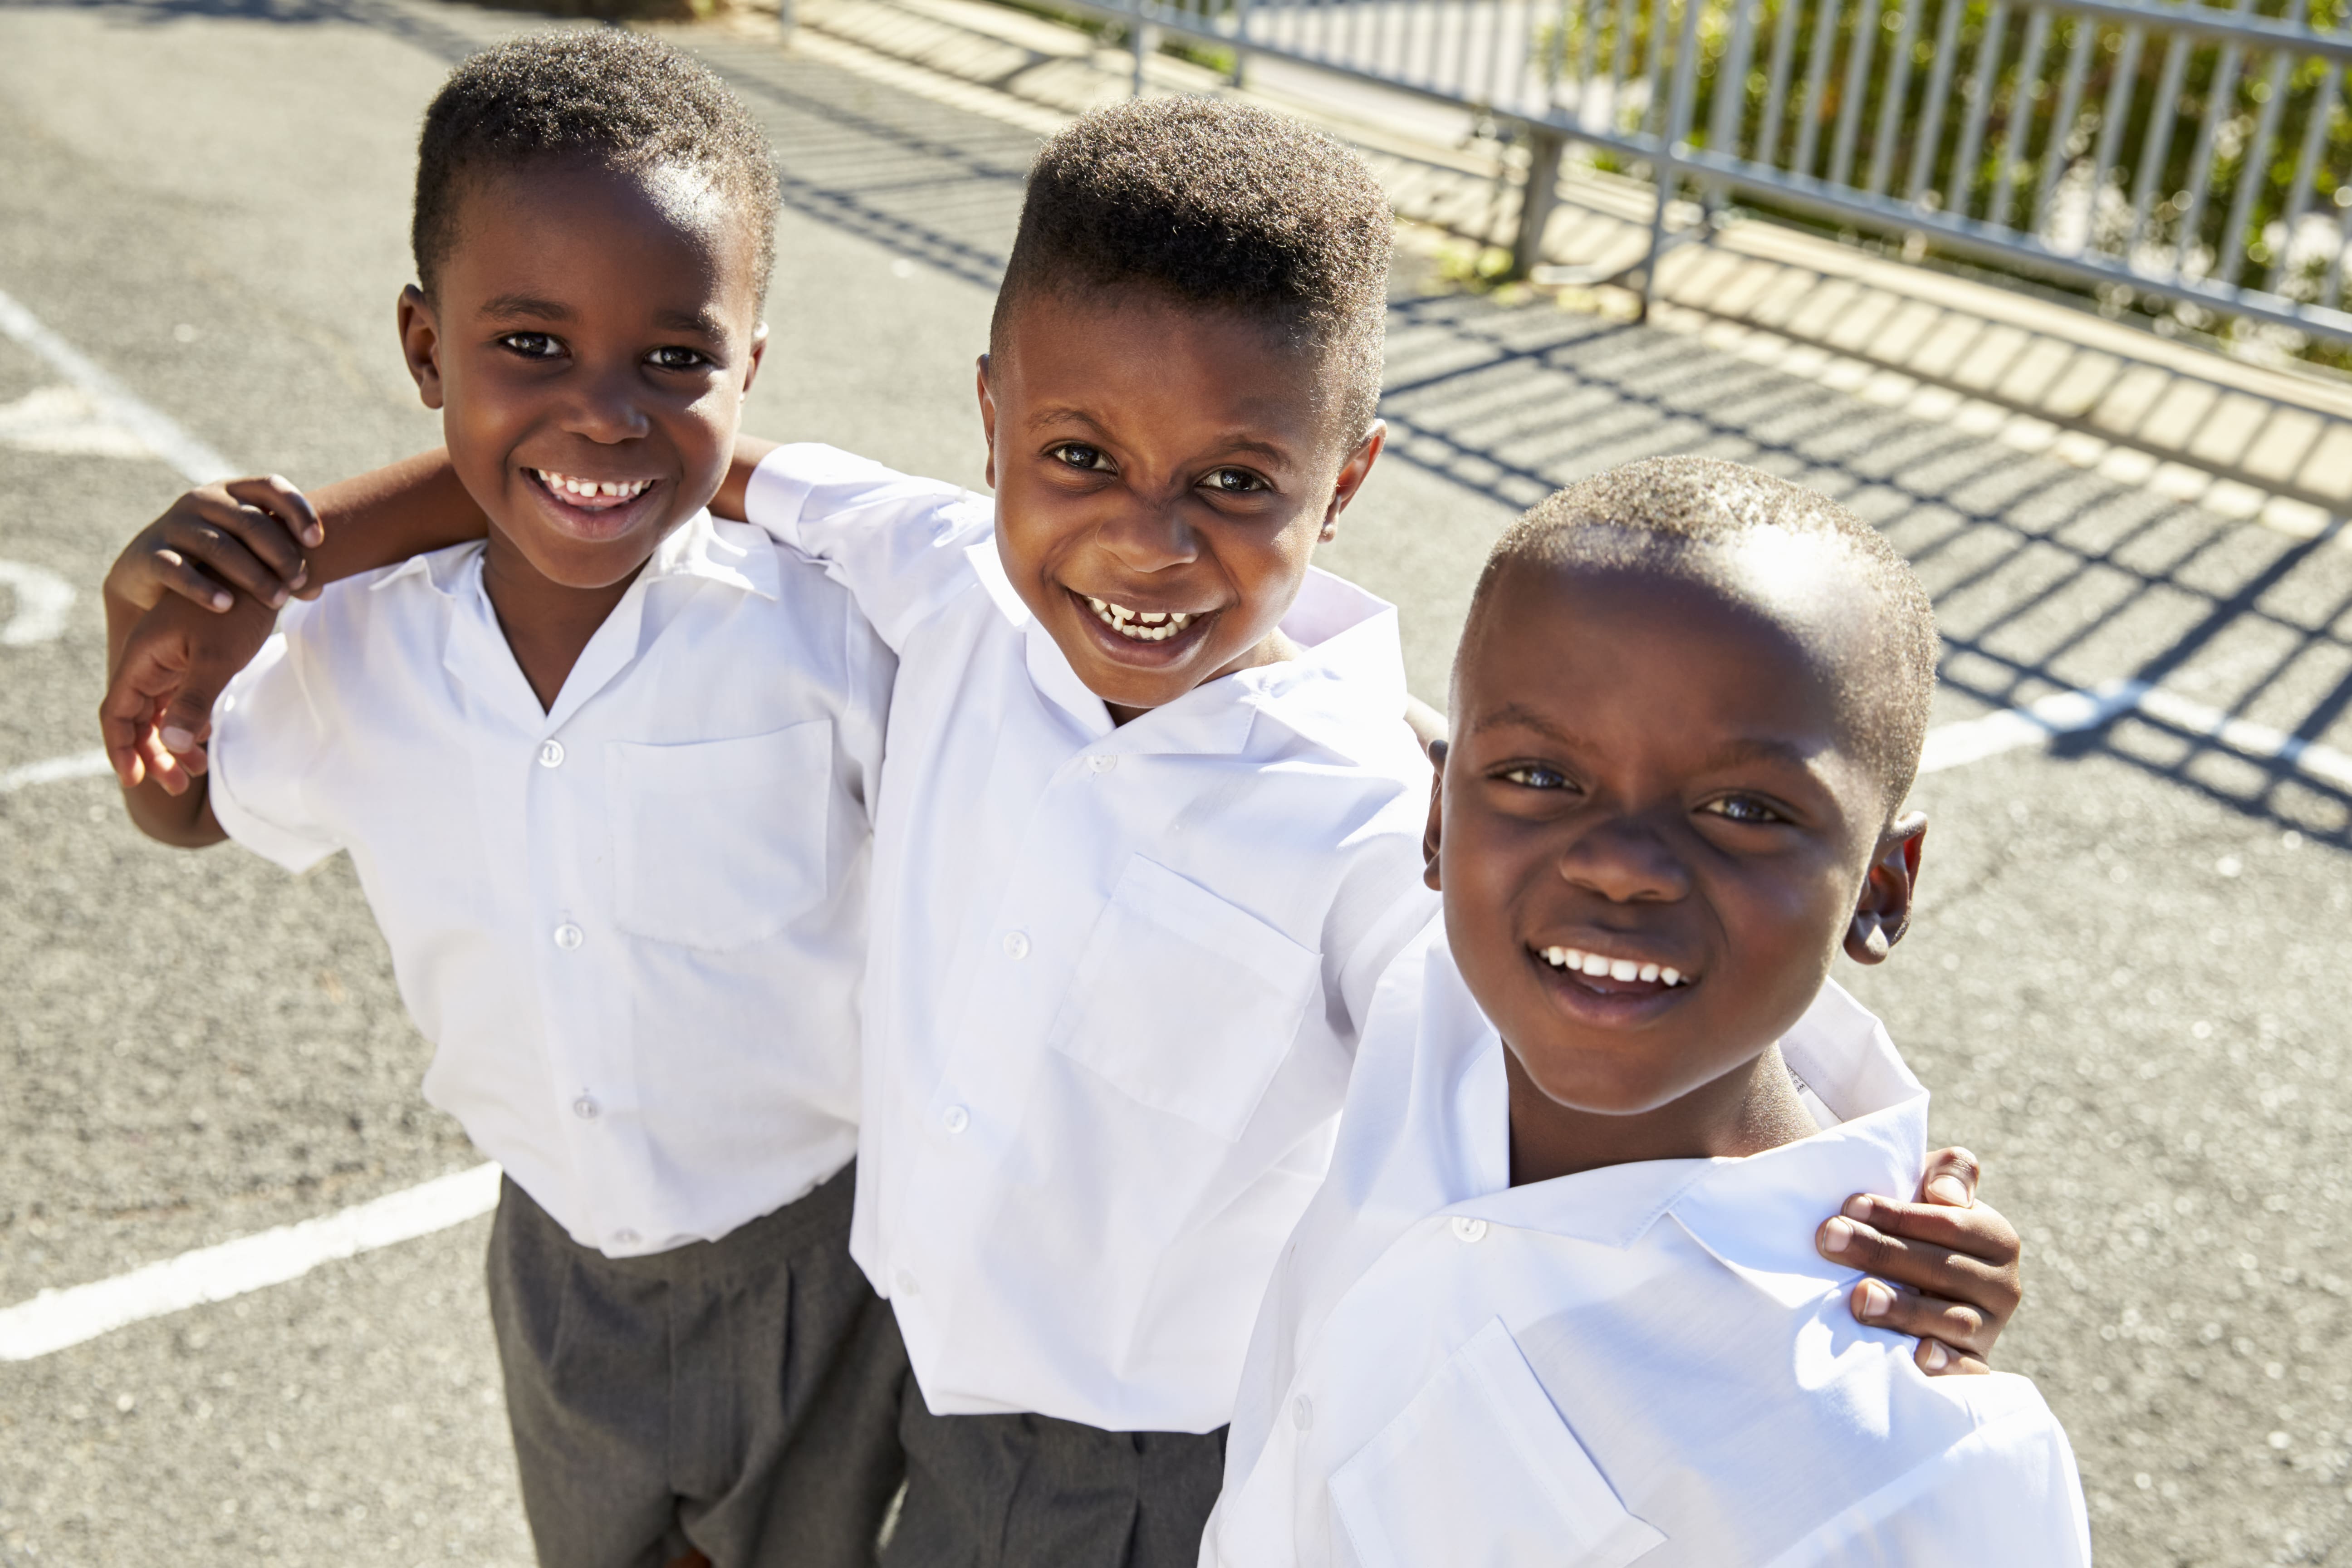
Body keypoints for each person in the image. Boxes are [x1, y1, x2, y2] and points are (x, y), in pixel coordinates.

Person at [104, 100, 2029, 1568]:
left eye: (1239, 483)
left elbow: (1593, 969)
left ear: (1348, 478)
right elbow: (627, 463)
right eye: (1080, 458)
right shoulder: (949, 576)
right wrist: (278, 561)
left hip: (1137, 1464)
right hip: (916, 1368)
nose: (1145, 540)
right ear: (991, 423)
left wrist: (1840, 1198)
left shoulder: (1379, 817)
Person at [103, 33, 907, 1568]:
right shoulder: (359, 645)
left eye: (674, 360)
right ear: (426, 349)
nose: (603, 416)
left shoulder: (825, 629)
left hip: (828, 1262)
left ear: (749, 365)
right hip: (556, 1264)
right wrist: (143, 658)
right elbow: (195, 807)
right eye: (530, 343)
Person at [1201, 457, 2091, 1568]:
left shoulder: (1916, 1462)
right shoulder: (1427, 998)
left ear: (1883, 886)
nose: (1620, 865)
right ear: (1436, 819)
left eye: (1743, 808)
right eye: (1541, 778)